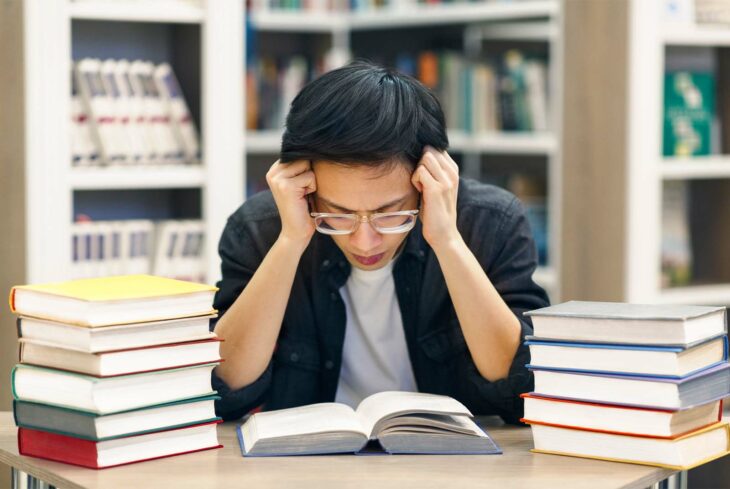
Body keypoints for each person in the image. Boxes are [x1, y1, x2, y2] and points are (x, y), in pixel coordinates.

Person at [211, 60, 549, 424]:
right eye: (336, 213)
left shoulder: (492, 223)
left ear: (426, 179)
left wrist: (447, 241)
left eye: (390, 213)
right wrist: (292, 240)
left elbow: (520, 389)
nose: (365, 240)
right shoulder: (258, 229)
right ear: (305, 184)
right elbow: (225, 388)